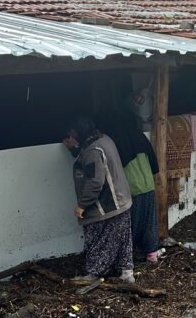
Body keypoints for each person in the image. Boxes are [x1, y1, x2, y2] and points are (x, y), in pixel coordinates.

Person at [63, 117, 135, 283]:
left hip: (107, 206)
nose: (71, 138)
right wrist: (75, 150)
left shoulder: (93, 151)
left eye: (72, 135)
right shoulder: (103, 138)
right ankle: (126, 273)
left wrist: (82, 205)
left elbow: (95, 181)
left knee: (98, 240)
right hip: (122, 201)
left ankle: (94, 274)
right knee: (123, 239)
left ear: (79, 133)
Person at [100, 111, 161, 263]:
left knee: (130, 221)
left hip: (130, 186)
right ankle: (151, 253)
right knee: (149, 220)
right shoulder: (139, 135)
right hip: (147, 184)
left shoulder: (114, 140)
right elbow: (154, 161)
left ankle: (127, 255)